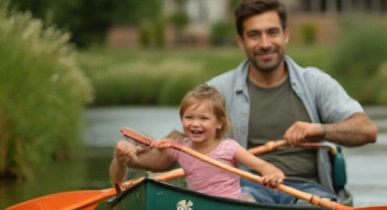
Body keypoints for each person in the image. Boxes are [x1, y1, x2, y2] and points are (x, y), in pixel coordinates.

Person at [115, 0, 378, 204]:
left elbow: (367, 131)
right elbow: (175, 149)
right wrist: (132, 157)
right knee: (245, 200)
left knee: (310, 205)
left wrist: (318, 129)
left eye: (272, 33)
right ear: (241, 41)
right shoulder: (216, 90)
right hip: (247, 192)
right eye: (254, 35)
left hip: (309, 192)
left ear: (285, 35)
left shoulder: (316, 82)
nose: (265, 43)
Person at [110, 85, 284, 200]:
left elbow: (266, 167)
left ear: (219, 123)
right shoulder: (180, 147)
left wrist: (273, 176)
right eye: (189, 117)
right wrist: (120, 157)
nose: (195, 123)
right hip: (199, 207)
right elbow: (120, 178)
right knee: (161, 187)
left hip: (229, 207)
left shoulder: (229, 148)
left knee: (248, 200)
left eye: (203, 118)